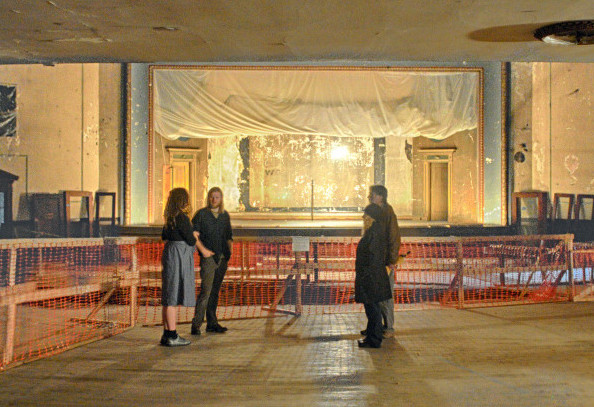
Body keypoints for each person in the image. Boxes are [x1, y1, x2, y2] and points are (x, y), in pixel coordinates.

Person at [190, 187, 233, 335]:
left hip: (222, 258)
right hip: (209, 259)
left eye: (217, 197)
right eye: (212, 197)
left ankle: (212, 323)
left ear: (221, 199)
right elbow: (193, 234)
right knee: (206, 292)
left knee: (215, 292)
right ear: (208, 198)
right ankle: (196, 324)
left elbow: (228, 236)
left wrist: (228, 254)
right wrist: (203, 251)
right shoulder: (201, 214)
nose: (214, 200)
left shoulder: (224, 216)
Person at [160, 187, 198, 347]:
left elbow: (164, 236)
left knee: (169, 296)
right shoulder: (182, 218)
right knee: (172, 298)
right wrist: (195, 235)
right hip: (178, 256)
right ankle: (172, 335)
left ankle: (166, 333)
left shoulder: (170, 218)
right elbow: (190, 240)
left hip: (170, 253)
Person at [363, 185, 401, 338]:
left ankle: (388, 327)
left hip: (384, 261)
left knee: (385, 295)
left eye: (372, 194)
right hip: (373, 260)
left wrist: (392, 260)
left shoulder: (388, 212)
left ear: (381, 196)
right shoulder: (370, 211)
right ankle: (375, 326)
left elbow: (394, 237)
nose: (369, 197)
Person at [355, 203, 393, 348]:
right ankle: (371, 337)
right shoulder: (373, 231)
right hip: (371, 276)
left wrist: (365, 274)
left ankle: (374, 339)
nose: (363, 217)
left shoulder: (374, 233)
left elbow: (372, 257)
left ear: (372, 218)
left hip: (371, 278)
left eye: (366, 214)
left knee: (373, 309)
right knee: (372, 309)